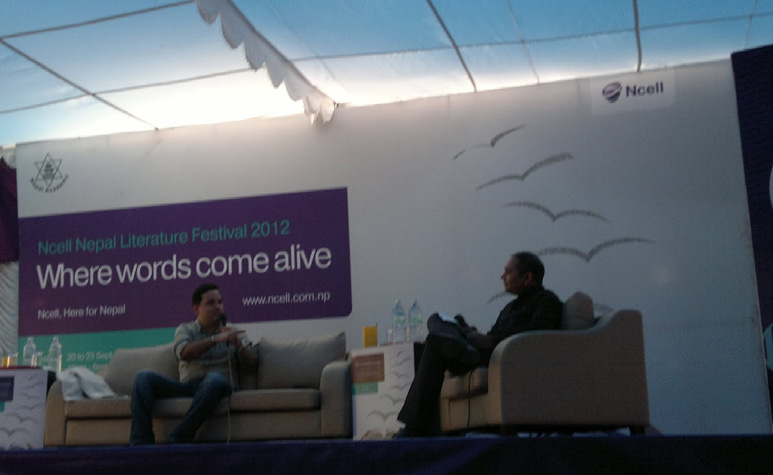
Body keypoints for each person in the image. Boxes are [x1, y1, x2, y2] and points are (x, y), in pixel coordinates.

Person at [395, 252, 563, 437]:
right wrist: (475, 335)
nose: (502, 276)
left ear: (527, 277)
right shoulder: (510, 307)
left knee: (435, 341)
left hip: (501, 358)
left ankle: (414, 429)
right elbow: (493, 334)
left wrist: (490, 341)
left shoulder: (546, 301)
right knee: (437, 321)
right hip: (483, 352)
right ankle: (461, 343)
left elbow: (535, 335)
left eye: (508, 272)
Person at [130, 282, 257, 445]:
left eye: (220, 302)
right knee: (143, 377)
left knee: (214, 379)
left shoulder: (233, 331)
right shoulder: (186, 330)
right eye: (211, 303)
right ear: (196, 309)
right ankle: (141, 444)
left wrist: (238, 345)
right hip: (189, 387)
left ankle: (179, 437)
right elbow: (184, 353)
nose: (218, 307)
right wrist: (215, 340)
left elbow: (251, 367)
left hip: (220, 386)